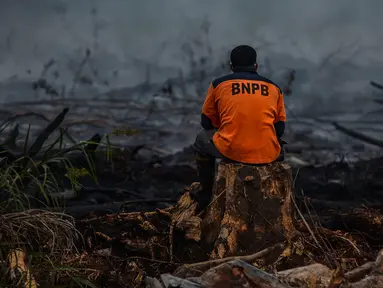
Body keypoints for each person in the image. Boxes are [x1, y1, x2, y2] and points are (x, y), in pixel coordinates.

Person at [191, 45, 287, 210]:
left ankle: (205, 193)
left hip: (232, 149)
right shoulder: (274, 88)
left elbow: (206, 123)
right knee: (277, 143)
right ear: (256, 66)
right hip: (267, 153)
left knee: (201, 138)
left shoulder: (219, 84)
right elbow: (279, 129)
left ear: (231, 66)